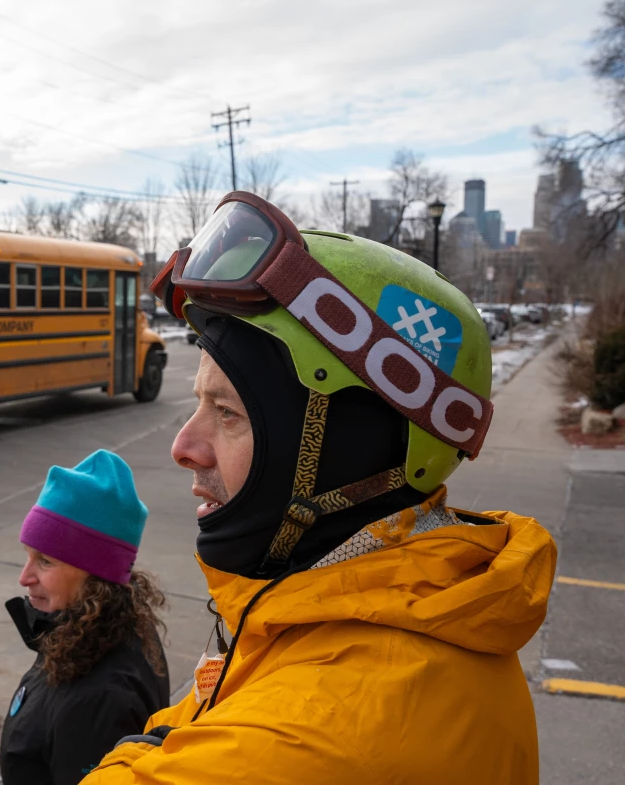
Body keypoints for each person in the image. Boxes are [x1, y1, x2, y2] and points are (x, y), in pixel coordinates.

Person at [83, 192, 556, 784]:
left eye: (228, 412)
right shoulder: (424, 608)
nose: (184, 447)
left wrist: (140, 744)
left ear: (344, 450)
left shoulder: (310, 736)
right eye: (198, 403)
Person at [0, 449, 170, 785]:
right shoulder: (82, 630)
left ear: (95, 576)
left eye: (45, 561)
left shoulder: (102, 700)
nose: (25, 577)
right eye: (28, 555)